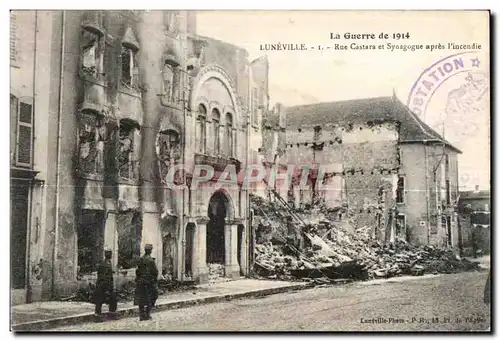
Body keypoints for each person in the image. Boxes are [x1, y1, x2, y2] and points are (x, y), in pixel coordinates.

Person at [134, 244, 159, 321]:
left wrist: (139, 278)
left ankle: (142, 315)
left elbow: (137, 271)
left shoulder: (140, 259)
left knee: (141, 298)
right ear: (150, 251)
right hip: (149, 282)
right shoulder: (151, 260)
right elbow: (155, 272)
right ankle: (147, 314)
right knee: (153, 296)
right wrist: (154, 280)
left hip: (141, 281)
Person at [93, 248, 117, 321]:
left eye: (110, 253)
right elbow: (105, 277)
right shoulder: (105, 264)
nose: (110, 255)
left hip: (103, 285)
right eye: (109, 253)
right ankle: (99, 317)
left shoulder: (106, 263)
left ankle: (109, 315)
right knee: (101, 301)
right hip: (103, 285)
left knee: (108, 300)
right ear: (107, 255)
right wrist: (107, 288)